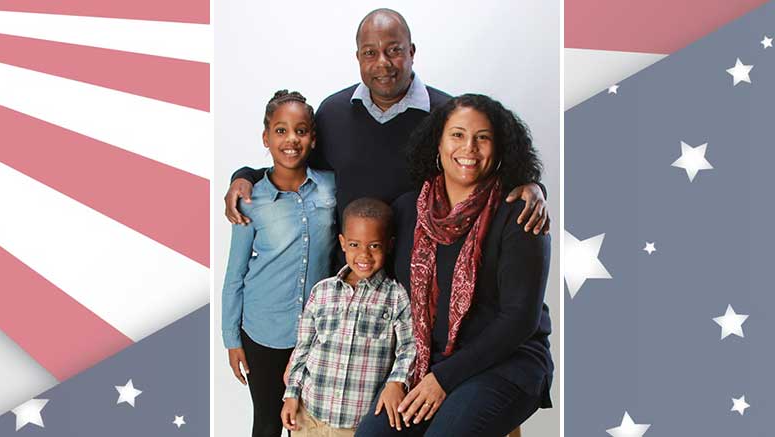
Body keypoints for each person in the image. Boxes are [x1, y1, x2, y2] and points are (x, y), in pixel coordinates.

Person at [225, 8, 550, 238]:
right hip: (351, 277)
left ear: (411, 51)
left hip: (427, 279)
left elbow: (484, 167)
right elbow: (296, 170)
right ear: (358, 58)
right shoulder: (333, 112)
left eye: (394, 50)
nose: (382, 63)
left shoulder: (448, 114)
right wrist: (246, 177)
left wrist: (534, 186)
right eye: (370, 53)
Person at [355, 94, 553, 436]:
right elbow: (381, 286)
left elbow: (520, 320)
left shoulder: (520, 214)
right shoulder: (407, 210)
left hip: (506, 364)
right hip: (427, 363)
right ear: (439, 142)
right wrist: (397, 376)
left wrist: (443, 379)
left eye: (483, 137)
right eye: (458, 135)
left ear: (500, 147)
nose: (469, 148)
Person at [221, 90, 336, 437]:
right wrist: (231, 339)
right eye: (281, 130)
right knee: (269, 423)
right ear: (266, 137)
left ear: (313, 138)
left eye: (301, 130)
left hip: (319, 333)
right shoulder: (250, 199)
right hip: (264, 332)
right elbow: (235, 274)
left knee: (308, 425)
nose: (291, 139)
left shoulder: (332, 188)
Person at [281, 198, 416, 436]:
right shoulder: (322, 292)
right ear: (342, 243)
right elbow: (303, 348)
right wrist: (292, 394)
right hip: (309, 416)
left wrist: (397, 381)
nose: (363, 254)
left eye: (374, 246)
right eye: (354, 244)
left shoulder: (396, 296)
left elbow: (409, 347)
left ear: (389, 245)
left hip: (356, 424)